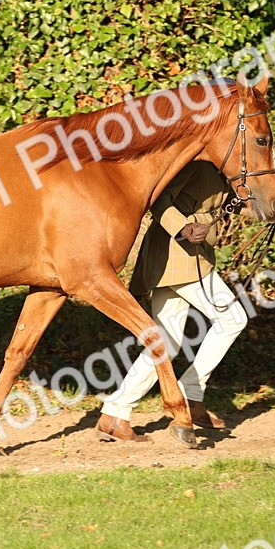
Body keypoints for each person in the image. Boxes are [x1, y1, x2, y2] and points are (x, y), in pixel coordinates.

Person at [96, 159, 247, 443]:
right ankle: (190, 393)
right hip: (176, 253)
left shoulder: (227, 165)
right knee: (232, 318)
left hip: (191, 255)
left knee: (167, 342)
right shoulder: (195, 162)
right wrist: (183, 228)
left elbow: (235, 201)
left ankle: (116, 412)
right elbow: (158, 199)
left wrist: (274, 209)